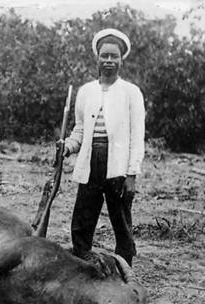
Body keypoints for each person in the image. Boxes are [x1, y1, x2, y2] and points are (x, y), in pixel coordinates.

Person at [63, 28, 145, 266]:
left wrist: (132, 174)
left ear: (121, 59)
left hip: (117, 164)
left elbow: (137, 137)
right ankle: (81, 261)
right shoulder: (86, 91)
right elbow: (80, 130)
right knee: (83, 216)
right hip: (90, 161)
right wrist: (68, 146)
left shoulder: (131, 92)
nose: (109, 60)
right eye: (104, 55)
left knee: (120, 218)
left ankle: (125, 266)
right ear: (97, 58)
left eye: (114, 56)